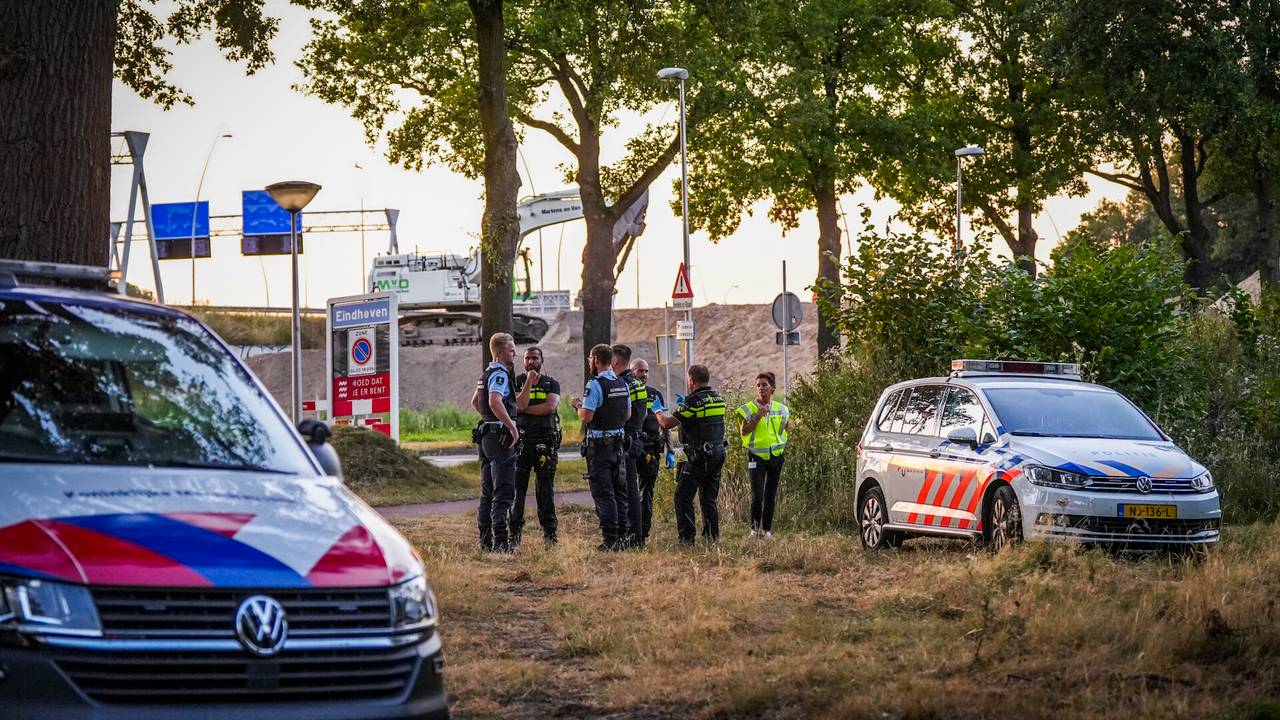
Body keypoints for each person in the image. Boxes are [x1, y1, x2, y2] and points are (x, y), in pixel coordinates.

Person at [654, 364, 727, 544]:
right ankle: (711, 537)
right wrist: (683, 407)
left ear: (691, 380)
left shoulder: (693, 401)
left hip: (700, 456)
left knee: (682, 496)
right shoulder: (718, 398)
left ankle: (686, 539)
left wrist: (657, 410)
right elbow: (703, 420)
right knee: (708, 498)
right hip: (718, 452)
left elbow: (667, 423)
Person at [571, 344, 631, 551]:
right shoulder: (622, 383)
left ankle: (610, 538)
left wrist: (578, 406)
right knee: (619, 491)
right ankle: (624, 536)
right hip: (619, 445)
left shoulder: (595, 384)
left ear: (596, 359)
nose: (589, 362)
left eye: (590, 358)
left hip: (600, 447)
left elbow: (587, 416)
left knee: (604, 493)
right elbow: (628, 415)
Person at [470, 333, 520, 552]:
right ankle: (501, 542)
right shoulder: (499, 373)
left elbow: (476, 401)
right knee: (504, 489)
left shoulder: (486, 373)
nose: (515, 353)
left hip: (486, 436)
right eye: (511, 350)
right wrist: (510, 426)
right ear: (499, 352)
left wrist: (488, 419)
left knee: (487, 490)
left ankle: (486, 540)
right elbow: (494, 400)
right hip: (499, 439)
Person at [512, 346, 561, 545]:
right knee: (517, 491)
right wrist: (528, 386)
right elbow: (518, 405)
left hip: (545, 441)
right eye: (528, 358)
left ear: (542, 360)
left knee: (545, 490)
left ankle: (550, 535)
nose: (531, 361)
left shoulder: (552, 383)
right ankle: (513, 535)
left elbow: (550, 407)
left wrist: (524, 409)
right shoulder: (517, 381)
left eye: (535, 358)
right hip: (522, 442)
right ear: (523, 362)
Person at [735, 372, 790, 539]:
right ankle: (753, 530)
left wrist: (782, 441)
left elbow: (787, 428)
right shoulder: (749, 408)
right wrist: (758, 416)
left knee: (770, 494)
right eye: (758, 385)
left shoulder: (782, 409)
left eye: (764, 385)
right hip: (756, 456)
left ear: (772, 388)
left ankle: (767, 531)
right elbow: (743, 431)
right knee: (757, 494)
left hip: (775, 456)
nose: (761, 388)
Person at [611, 344, 647, 548]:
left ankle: (631, 536)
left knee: (626, 491)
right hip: (636, 439)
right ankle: (637, 536)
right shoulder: (637, 383)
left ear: (615, 361)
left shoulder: (621, 383)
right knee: (632, 490)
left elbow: (622, 414)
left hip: (625, 440)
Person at [631, 358, 668, 545]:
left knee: (646, 494)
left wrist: (668, 449)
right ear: (632, 372)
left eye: (646, 371)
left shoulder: (654, 395)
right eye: (640, 371)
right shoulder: (626, 391)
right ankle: (630, 532)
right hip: (630, 448)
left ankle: (642, 534)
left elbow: (664, 424)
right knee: (629, 492)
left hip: (650, 451)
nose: (644, 375)